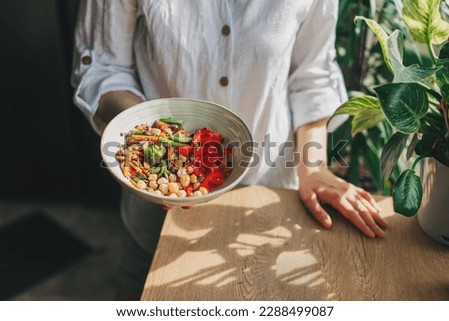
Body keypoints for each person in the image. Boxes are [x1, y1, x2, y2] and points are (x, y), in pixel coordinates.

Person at [72, 0, 388, 299]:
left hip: (269, 194)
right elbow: (102, 68)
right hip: (158, 206)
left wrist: (315, 169)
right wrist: (152, 138)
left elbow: (311, 77)